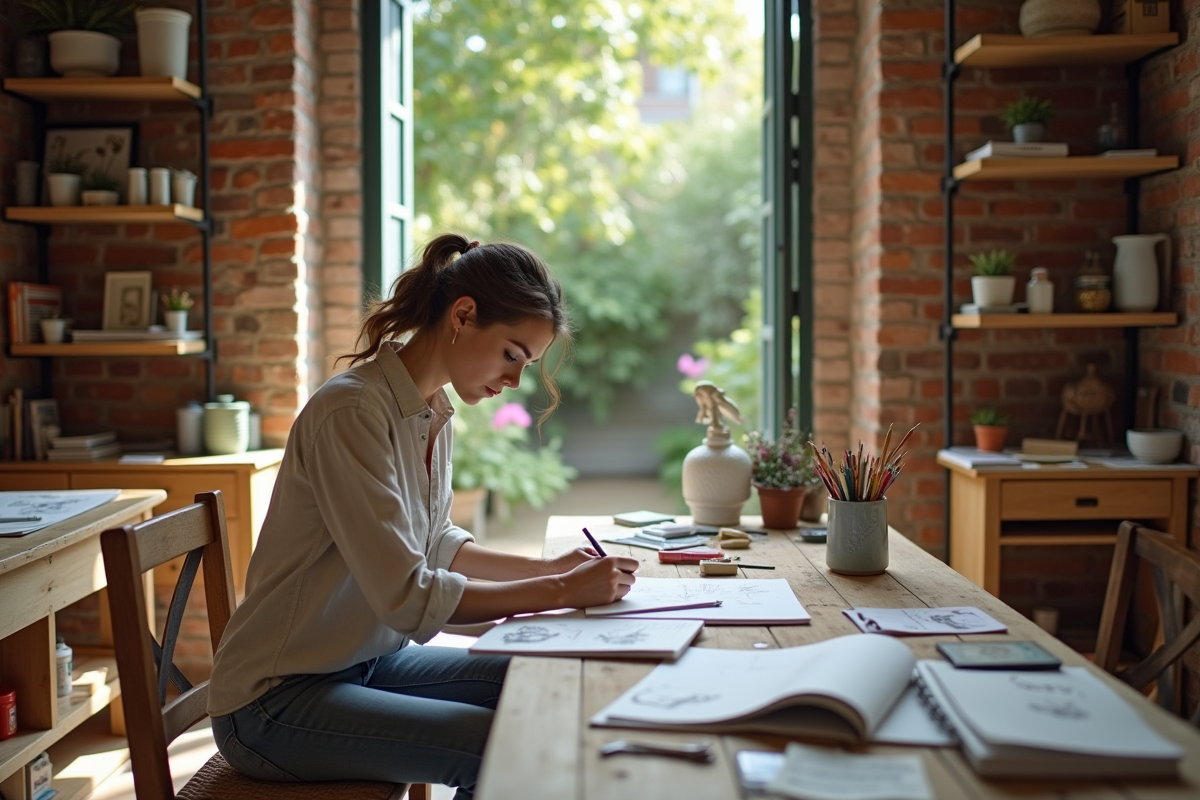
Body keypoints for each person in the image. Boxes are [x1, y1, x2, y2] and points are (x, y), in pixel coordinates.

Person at [208, 233, 638, 797]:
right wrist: (560, 589)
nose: (515, 380)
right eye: (512, 353)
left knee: (542, 678)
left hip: (361, 663)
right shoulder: (352, 411)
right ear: (463, 315)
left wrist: (548, 570)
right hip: (271, 700)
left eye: (525, 364)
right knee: (504, 742)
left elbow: (435, 542)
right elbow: (408, 597)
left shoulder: (432, 411)